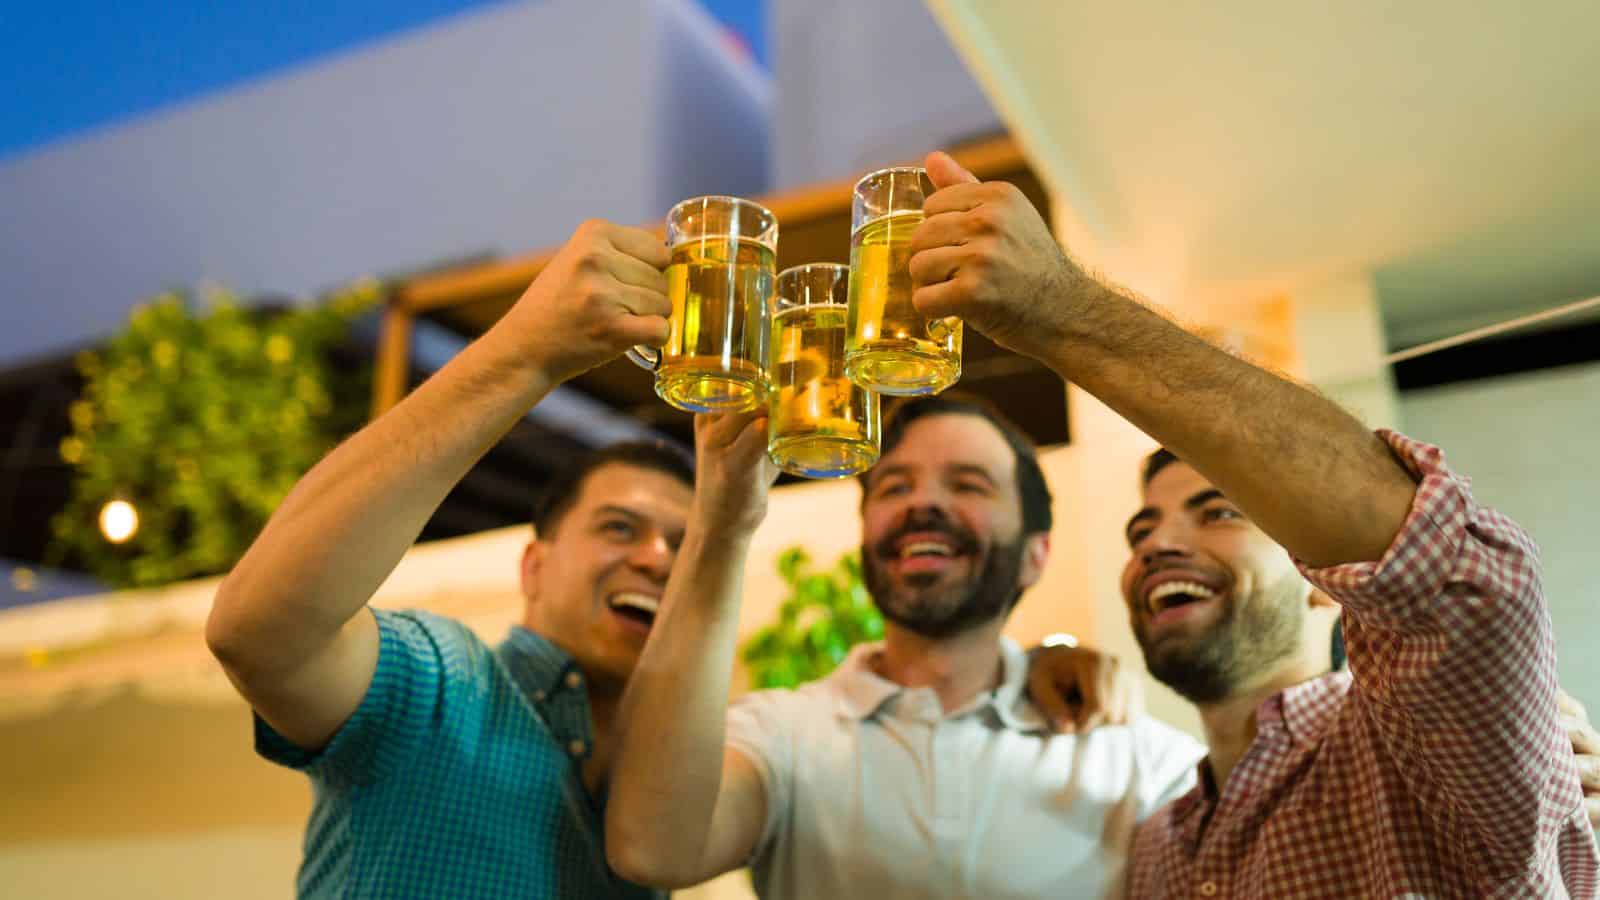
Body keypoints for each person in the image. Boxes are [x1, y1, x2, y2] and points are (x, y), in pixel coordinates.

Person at [893, 151, 1600, 896]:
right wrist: (1043, 657)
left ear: (1325, 587)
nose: (1159, 544)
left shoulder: (1420, 752)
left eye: (1218, 512)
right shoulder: (1159, 845)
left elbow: (1458, 583)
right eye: (1142, 530)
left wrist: (1055, 303)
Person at [207, 218, 704, 899]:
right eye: (620, 528)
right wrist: (526, 350)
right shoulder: (443, 684)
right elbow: (258, 631)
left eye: (683, 545)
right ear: (534, 565)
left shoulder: (662, 808)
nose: (656, 558)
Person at [606, 394, 1209, 899]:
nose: (924, 503)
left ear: (1035, 554)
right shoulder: (780, 733)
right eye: (894, 486)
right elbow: (652, 848)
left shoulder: (1140, 761)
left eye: (968, 484)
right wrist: (723, 525)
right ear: (865, 535)